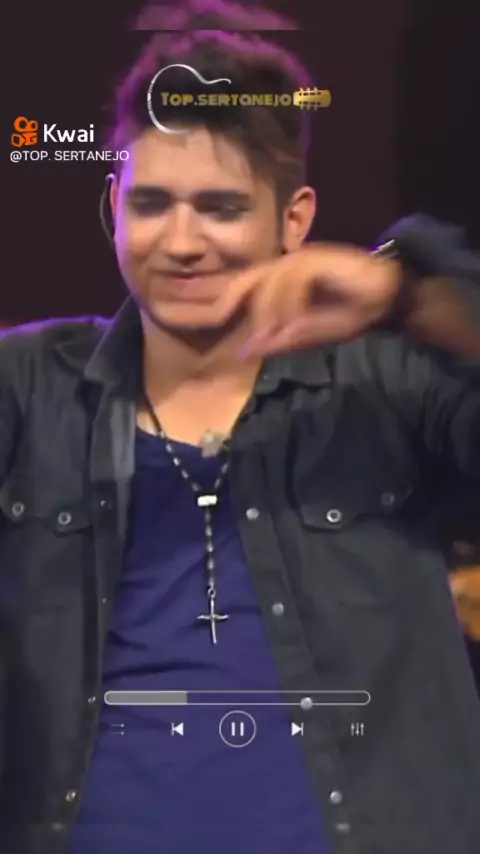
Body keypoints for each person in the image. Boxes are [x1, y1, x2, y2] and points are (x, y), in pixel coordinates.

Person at [1, 3, 480, 853]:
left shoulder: (384, 385)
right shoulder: (29, 388)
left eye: (219, 207)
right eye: (152, 204)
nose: (181, 242)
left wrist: (409, 295)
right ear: (113, 206)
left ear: (293, 220)